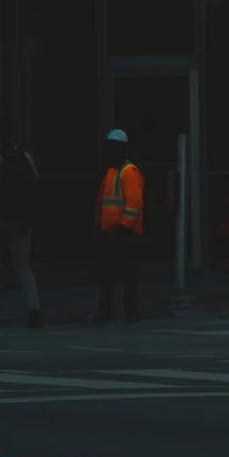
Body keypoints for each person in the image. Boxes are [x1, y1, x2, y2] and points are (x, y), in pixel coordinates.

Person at [0, 120, 42, 330]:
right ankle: (35, 310)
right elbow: (35, 187)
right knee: (24, 268)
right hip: (21, 220)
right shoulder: (26, 158)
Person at [94, 127, 144, 324]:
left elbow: (135, 204)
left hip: (125, 233)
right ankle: (105, 312)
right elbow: (102, 202)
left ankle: (131, 313)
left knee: (126, 274)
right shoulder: (111, 171)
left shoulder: (129, 172)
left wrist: (124, 227)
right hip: (110, 232)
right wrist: (99, 226)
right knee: (107, 275)